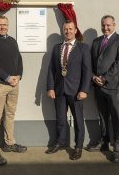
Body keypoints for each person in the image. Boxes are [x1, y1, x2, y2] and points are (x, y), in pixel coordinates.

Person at [0, 15, 26, 166]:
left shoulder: (12, 40)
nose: (3, 27)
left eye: (5, 25)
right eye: (0, 25)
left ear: (8, 25)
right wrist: (7, 77)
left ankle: (9, 142)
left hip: (14, 83)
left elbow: (19, 59)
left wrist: (19, 75)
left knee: (10, 114)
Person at [46, 20, 92, 160]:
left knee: (78, 120)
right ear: (63, 31)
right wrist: (50, 87)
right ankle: (60, 142)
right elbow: (51, 70)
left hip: (76, 91)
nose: (68, 31)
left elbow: (87, 70)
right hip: (59, 90)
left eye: (70, 29)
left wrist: (84, 90)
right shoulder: (56, 48)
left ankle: (78, 147)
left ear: (75, 30)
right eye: (65, 29)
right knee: (60, 118)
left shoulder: (83, 48)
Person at [87, 15, 119, 163]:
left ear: (114, 25)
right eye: (103, 25)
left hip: (114, 87)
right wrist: (93, 77)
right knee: (102, 116)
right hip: (98, 87)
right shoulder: (96, 41)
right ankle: (104, 142)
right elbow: (91, 63)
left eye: (108, 25)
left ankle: (117, 148)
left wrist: (105, 78)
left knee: (116, 117)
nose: (105, 28)